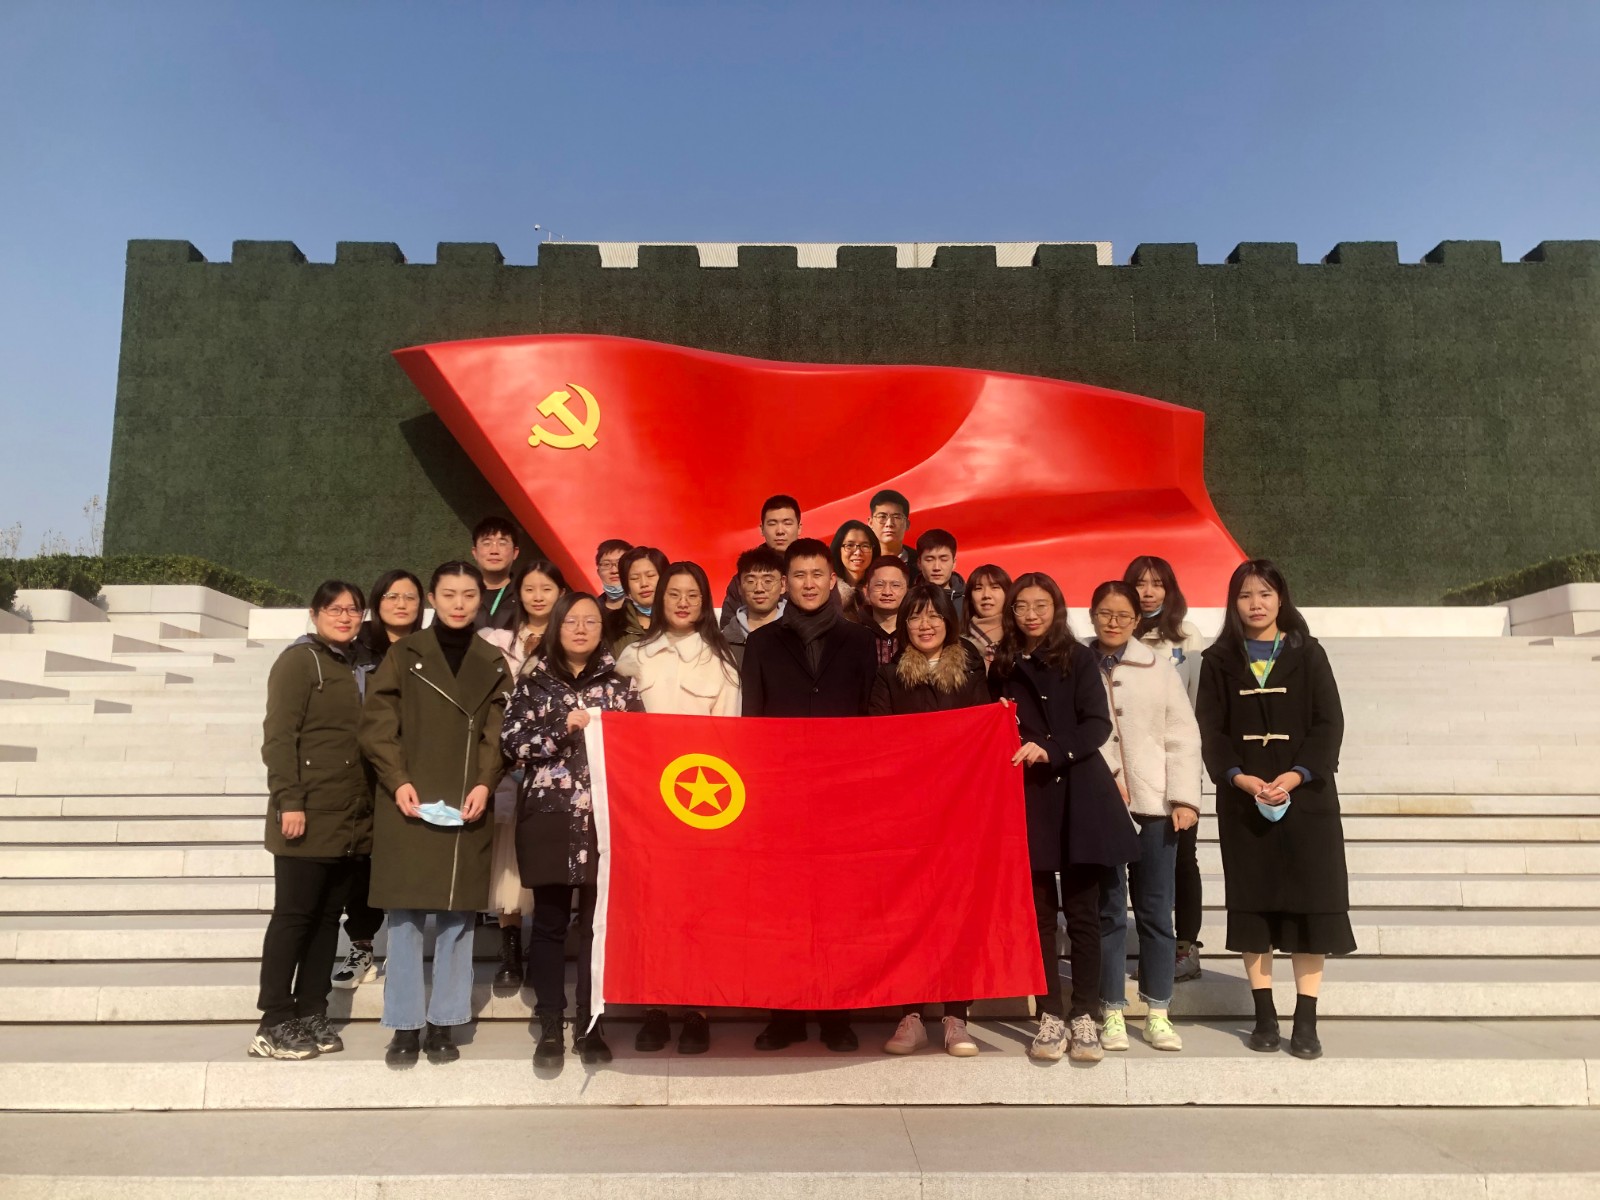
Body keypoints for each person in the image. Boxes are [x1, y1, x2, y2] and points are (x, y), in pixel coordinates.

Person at [1196, 558, 1351, 1061]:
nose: (1255, 604)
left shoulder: (1308, 652)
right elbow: (1211, 730)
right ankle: (1264, 1017)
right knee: (1254, 907)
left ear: (1281, 598)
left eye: (1264, 593)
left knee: (1312, 909)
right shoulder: (1218, 659)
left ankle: (1306, 1022)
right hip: (1245, 803)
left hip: (1307, 801)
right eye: (1245, 595)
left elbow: (1329, 723)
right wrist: (1239, 777)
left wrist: (1297, 774)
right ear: (1233, 603)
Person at [359, 562, 510, 1067]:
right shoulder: (404, 655)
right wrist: (397, 778)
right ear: (432, 598)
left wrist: (486, 782)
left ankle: (445, 1020)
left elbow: (498, 733)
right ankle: (404, 1024)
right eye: (449, 594)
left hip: (467, 798)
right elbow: (378, 725)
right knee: (404, 917)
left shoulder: (492, 661)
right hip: (409, 796)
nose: (459, 603)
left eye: (469, 594)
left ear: (480, 599)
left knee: (456, 917)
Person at [989, 572, 1139, 1065]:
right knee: (1037, 915)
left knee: (1083, 914)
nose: (1031, 615)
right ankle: (1050, 1014)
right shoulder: (1004, 663)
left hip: (1079, 794)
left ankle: (1085, 1016)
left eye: (1041, 605)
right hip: (1028, 796)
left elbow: (1097, 724)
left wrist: (1051, 749)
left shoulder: (1078, 657)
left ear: (1056, 608)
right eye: (1021, 606)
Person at [741, 537, 878, 1052]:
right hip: (781, 798)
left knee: (840, 910)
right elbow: (752, 722)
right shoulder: (762, 643)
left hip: (843, 797)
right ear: (784, 583)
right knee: (784, 911)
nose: (808, 583)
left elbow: (870, 717)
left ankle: (837, 1015)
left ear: (832, 579)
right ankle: (786, 1014)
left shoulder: (860, 641)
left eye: (817, 574)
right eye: (798, 575)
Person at [502, 591, 644, 1069]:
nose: (581, 629)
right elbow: (512, 744)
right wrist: (560, 728)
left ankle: (590, 1023)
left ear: (602, 630)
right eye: (571, 622)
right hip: (549, 818)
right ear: (556, 627)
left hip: (606, 821)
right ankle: (549, 1024)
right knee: (548, 923)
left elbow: (641, 747)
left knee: (595, 928)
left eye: (590, 622)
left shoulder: (622, 687)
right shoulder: (533, 684)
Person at [616, 562, 741, 1055]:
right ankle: (654, 1007)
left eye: (693, 594)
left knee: (698, 912)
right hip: (642, 805)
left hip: (699, 808)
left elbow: (730, 743)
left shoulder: (720, 661)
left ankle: (697, 1009)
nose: (683, 603)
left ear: (705, 601)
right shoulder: (634, 657)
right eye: (674, 594)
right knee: (649, 909)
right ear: (659, 599)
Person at [869, 583, 991, 1058]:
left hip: (960, 812)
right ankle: (912, 1016)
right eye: (915, 617)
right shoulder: (889, 676)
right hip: (907, 814)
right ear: (904, 626)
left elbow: (983, 733)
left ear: (949, 622)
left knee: (957, 912)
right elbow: (877, 738)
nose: (925, 625)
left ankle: (956, 1018)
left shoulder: (971, 672)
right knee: (909, 912)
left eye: (934, 616)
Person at [252, 581, 372, 1060]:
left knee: (326, 920)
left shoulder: (359, 663)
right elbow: (279, 737)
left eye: (353, 609)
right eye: (334, 609)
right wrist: (289, 800)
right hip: (306, 812)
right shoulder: (299, 662)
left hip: (349, 817)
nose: (344, 617)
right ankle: (273, 1019)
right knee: (294, 916)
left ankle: (311, 1009)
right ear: (314, 613)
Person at [1085, 581, 1201, 1054]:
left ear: (1137, 620)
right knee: (1109, 911)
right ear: (1092, 615)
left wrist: (1184, 798)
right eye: (1104, 613)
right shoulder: (1078, 662)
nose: (1113, 622)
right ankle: (1111, 1010)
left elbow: (1182, 734)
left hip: (1154, 806)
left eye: (1123, 615)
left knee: (1155, 911)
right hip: (1101, 805)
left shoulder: (1157, 667)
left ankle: (1157, 1011)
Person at [477, 560, 569, 991]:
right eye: (529, 589)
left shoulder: (573, 640)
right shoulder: (496, 642)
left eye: (546, 588)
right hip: (507, 765)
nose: (537, 596)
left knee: (546, 856)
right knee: (507, 860)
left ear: (560, 593)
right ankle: (510, 947)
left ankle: (544, 945)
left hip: (557, 767)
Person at [332, 567, 423, 991]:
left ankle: (407, 949)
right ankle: (362, 945)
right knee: (361, 860)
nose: (401, 604)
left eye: (410, 597)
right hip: (364, 769)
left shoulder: (429, 648)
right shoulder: (356, 650)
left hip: (416, 768)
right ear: (377, 602)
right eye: (392, 596)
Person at [1124, 554, 1208, 983]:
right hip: (1130, 766)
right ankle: (1148, 945)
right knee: (1135, 861)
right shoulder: (1118, 635)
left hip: (1175, 761)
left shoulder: (1187, 637)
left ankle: (1185, 946)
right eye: (1140, 583)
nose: (1148, 592)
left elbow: (1196, 702)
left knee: (1182, 858)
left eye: (1157, 583)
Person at [720, 494, 803, 619]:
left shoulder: (814, 570)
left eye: (787, 523)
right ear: (762, 529)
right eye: (772, 524)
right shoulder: (746, 576)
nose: (780, 531)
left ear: (799, 528)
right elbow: (729, 624)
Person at [722, 546, 786, 669]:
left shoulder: (800, 634)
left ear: (783, 584)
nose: (759, 589)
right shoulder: (722, 643)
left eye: (768, 581)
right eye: (751, 581)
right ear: (739, 587)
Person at [608, 545, 667, 656]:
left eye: (650, 575)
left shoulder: (683, 621)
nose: (644, 584)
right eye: (635, 578)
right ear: (627, 588)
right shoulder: (612, 627)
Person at [856, 555, 911, 666]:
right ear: (866, 590)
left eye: (895, 585)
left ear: (908, 591)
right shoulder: (853, 633)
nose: (887, 592)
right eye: (879, 585)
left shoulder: (914, 632)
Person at [470, 517, 522, 631]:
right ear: (475, 552)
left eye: (502, 543)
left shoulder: (524, 595)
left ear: (515, 552)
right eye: (486, 543)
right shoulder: (461, 594)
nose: (494, 551)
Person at [960, 564, 1011, 667]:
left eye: (995, 587)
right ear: (970, 598)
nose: (986, 595)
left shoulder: (1021, 637)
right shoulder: (957, 643)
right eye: (978, 588)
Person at [829, 520, 880, 614]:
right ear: (838, 549)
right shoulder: (826, 591)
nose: (858, 552)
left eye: (865, 546)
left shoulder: (883, 591)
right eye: (850, 545)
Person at [914, 529, 965, 621]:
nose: (937, 567)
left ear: (954, 563)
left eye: (943, 560)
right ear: (919, 563)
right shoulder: (909, 598)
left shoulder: (969, 599)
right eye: (929, 560)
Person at [868, 488, 912, 561]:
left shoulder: (922, 563)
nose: (889, 524)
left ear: (907, 524)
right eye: (882, 516)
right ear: (871, 523)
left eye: (896, 517)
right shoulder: (861, 562)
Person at [595, 539, 632, 613]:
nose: (614, 571)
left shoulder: (647, 606)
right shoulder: (593, 610)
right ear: (598, 572)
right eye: (606, 564)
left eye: (620, 563)